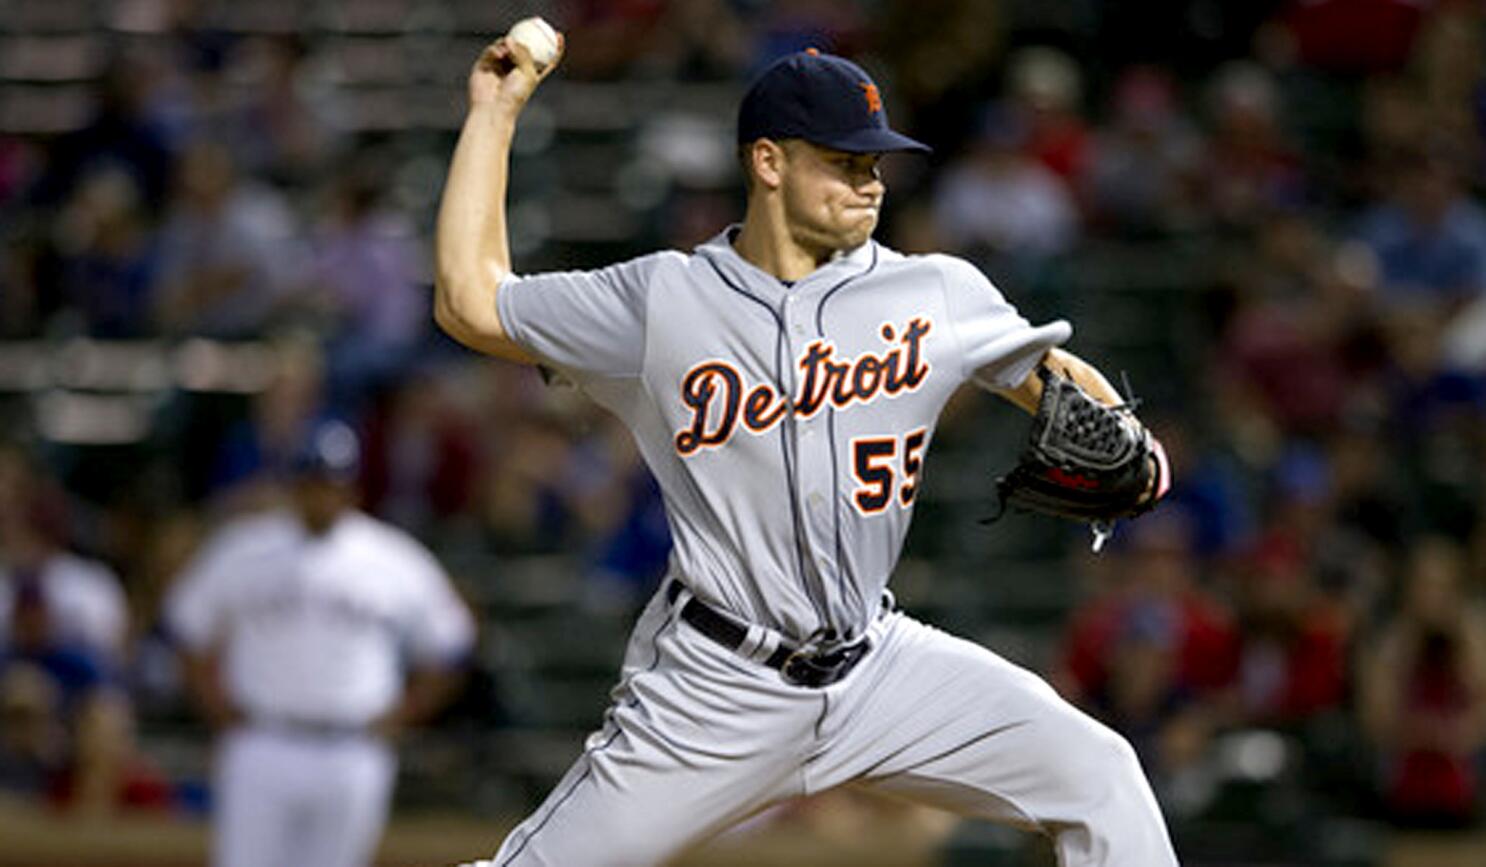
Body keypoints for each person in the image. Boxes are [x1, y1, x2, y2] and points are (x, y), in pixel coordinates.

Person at [436, 35, 1177, 866]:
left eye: (876, 164)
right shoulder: (662, 299)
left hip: (878, 665)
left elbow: (1047, 372)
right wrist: (494, 112)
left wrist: (1133, 439)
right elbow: (472, 301)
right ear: (769, 162)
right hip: (715, 683)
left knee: (1101, 774)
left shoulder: (933, 291)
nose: (870, 183)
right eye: (844, 161)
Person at [163, 420, 476, 867]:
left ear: (351, 489)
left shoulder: (390, 557)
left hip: (351, 746)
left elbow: (451, 644)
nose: (321, 493)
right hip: (262, 739)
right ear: (295, 485)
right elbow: (187, 627)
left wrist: (402, 715)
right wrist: (216, 707)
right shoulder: (246, 548)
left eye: (332, 483)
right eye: (312, 482)